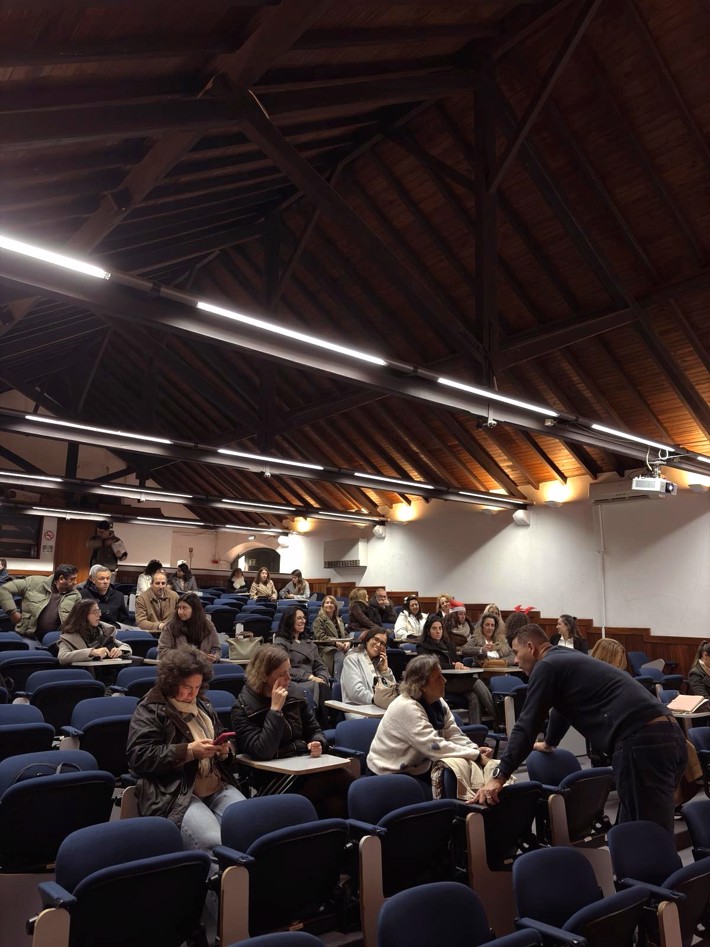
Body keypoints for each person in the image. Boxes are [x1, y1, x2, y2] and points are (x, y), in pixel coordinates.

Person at [474, 624, 687, 835]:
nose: (516, 660)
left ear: (531, 647)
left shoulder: (546, 665)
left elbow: (526, 725)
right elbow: (561, 709)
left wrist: (499, 776)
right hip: (669, 734)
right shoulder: (566, 658)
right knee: (632, 830)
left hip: (642, 743)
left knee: (648, 835)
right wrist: (550, 743)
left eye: (516, 652)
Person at [127, 646, 245, 863]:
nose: (193, 694)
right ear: (171, 684)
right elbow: (139, 756)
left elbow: (224, 743)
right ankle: (216, 884)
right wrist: (189, 751)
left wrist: (224, 752)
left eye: (198, 687)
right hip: (174, 793)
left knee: (247, 828)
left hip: (215, 784)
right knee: (211, 841)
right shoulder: (150, 709)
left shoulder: (203, 705)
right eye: (187, 688)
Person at [232, 644, 352, 817]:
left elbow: (314, 729)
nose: (289, 678)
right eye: (282, 674)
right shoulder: (244, 708)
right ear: (263, 676)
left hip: (304, 767)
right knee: (339, 779)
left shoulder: (293, 693)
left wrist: (317, 742)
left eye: (288, 671)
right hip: (273, 778)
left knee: (334, 804)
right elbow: (262, 751)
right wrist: (275, 711)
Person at [367, 654, 491, 783]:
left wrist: (473, 748)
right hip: (388, 774)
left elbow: (452, 733)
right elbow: (434, 746)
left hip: (418, 768)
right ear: (422, 684)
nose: (444, 681)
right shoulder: (406, 707)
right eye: (438, 678)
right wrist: (476, 756)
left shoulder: (438, 701)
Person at [417, 614, 494, 724]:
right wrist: (452, 666)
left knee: (473, 696)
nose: (438, 631)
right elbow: (431, 665)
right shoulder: (422, 647)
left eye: (440, 628)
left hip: (455, 680)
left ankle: (475, 730)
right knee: (476, 682)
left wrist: (459, 664)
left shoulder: (449, 646)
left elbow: (459, 662)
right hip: (440, 682)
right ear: (428, 631)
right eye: (434, 628)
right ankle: (498, 716)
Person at [273, 606, 331, 725]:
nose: (303, 621)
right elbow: (283, 668)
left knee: (323, 686)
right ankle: (323, 725)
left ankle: (326, 724)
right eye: (299, 618)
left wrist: (322, 678)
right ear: (289, 620)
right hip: (293, 681)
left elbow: (321, 666)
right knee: (320, 688)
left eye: (304, 618)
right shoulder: (280, 643)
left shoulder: (309, 643)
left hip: (315, 682)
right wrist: (310, 677)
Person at [0, 563, 80, 644]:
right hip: (30, 636)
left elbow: (77, 620)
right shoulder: (33, 582)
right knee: (30, 650)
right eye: (72, 579)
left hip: (56, 639)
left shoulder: (75, 595)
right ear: (61, 578)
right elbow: (4, 589)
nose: (75, 582)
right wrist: (13, 612)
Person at [57, 598, 132, 665]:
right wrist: (92, 652)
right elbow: (62, 657)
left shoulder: (104, 631)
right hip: (86, 674)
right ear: (83, 615)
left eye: (99, 611)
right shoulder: (69, 637)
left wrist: (120, 651)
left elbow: (125, 646)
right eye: (94, 612)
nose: (99, 614)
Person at [341, 627, 396, 716]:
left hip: (379, 708)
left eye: (382, 643)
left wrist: (385, 672)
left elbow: (392, 692)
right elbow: (355, 692)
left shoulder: (379, 663)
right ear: (367, 640)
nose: (378, 644)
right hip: (358, 709)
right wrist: (378, 700)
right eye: (376, 639)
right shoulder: (352, 659)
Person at [158, 592, 220, 661]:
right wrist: (194, 654)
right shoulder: (170, 627)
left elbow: (216, 649)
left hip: (203, 665)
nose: (180, 612)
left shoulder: (208, 626)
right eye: (179, 608)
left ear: (195, 610)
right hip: (177, 666)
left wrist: (214, 656)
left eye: (184, 608)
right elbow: (162, 652)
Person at [312, 595, 350, 679]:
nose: (329, 604)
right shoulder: (319, 620)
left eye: (331, 603)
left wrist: (347, 642)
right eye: (327, 603)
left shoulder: (339, 620)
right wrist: (335, 643)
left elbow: (346, 634)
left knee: (354, 654)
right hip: (326, 648)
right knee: (339, 654)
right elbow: (320, 637)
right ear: (323, 606)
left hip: (342, 647)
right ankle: (337, 682)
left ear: (335, 606)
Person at [135, 569, 178, 634]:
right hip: (150, 633)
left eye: (163, 583)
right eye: (157, 583)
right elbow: (141, 622)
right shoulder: (142, 598)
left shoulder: (174, 596)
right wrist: (159, 626)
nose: (161, 586)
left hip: (170, 633)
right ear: (151, 584)